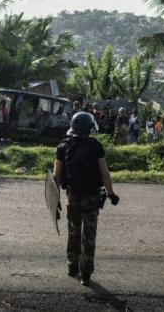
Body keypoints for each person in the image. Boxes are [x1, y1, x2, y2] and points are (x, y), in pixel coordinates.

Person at [53, 112, 119, 286]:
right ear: (90, 128)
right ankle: (86, 274)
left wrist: (55, 201)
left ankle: (71, 265)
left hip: (72, 197)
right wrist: (111, 195)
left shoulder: (63, 146)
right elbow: (105, 174)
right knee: (89, 236)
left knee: (73, 232)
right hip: (91, 198)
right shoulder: (95, 146)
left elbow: (56, 177)